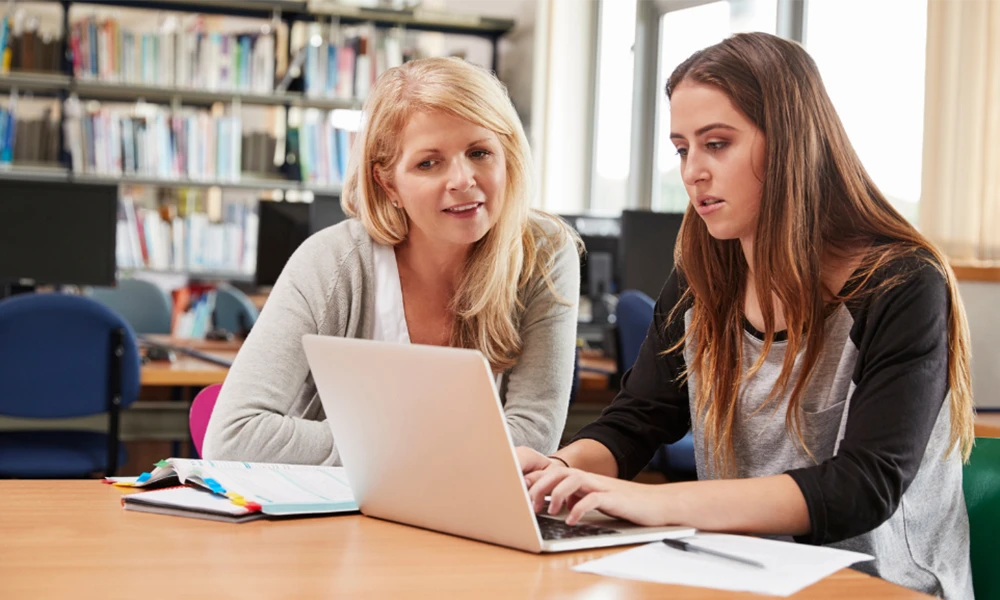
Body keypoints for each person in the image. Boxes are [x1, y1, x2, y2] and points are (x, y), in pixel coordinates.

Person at [518, 32, 974, 599]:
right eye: (683, 149)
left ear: (790, 143)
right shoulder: (703, 277)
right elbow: (639, 420)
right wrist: (552, 472)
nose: (692, 173)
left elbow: (863, 488)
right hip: (738, 575)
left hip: (880, 587)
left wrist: (650, 503)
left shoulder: (901, 284)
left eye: (717, 144)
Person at [204, 57, 581, 466]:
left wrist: (380, 443)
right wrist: (419, 445)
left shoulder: (543, 253)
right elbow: (234, 437)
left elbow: (533, 435)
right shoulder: (331, 262)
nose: (462, 179)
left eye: (479, 152)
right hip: (332, 514)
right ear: (388, 182)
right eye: (428, 163)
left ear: (506, 156)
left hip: (464, 515)